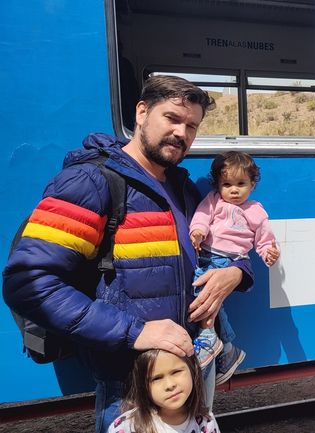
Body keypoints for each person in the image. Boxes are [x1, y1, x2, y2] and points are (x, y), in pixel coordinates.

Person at [3, 75, 253, 433]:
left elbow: (226, 244)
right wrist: (135, 332)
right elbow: (27, 283)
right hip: (131, 384)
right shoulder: (90, 182)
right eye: (172, 118)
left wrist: (236, 273)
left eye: (192, 126)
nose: (181, 133)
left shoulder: (182, 187)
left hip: (192, 370)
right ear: (141, 112)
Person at [189, 151, 280, 385]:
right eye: (227, 184)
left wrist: (269, 253)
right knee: (209, 297)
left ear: (252, 185)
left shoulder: (255, 210)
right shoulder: (213, 200)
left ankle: (210, 336)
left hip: (230, 259)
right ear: (218, 185)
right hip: (206, 255)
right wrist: (197, 232)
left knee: (204, 293)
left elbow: (264, 240)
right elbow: (201, 217)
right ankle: (227, 348)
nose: (234, 190)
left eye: (241, 184)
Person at [108, 349, 218, 433]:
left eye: (176, 372)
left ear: (192, 370)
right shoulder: (127, 427)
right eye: (157, 378)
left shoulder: (205, 421)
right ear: (142, 385)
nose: (170, 385)